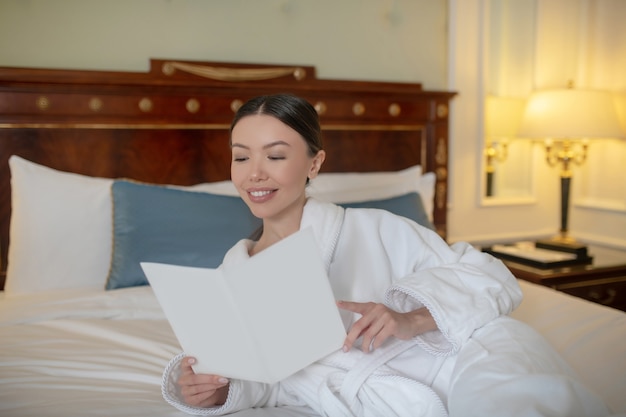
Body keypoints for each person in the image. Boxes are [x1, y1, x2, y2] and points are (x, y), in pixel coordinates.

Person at [160, 94, 609, 417]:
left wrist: (411, 316)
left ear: (314, 164)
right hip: (379, 398)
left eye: (276, 156)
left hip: (467, 354)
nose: (254, 173)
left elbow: (490, 277)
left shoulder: (374, 227)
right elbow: (262, 378)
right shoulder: (233, 276)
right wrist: (212, 390)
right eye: (241, 158)